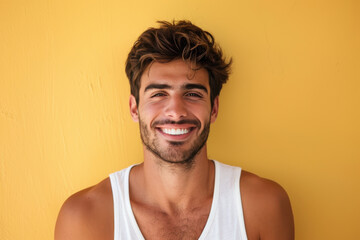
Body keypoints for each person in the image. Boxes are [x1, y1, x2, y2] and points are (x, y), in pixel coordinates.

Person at [55, 20, 294, 240]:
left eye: (192, 94)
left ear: (214, 108)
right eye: (159, 94)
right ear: (134, 108)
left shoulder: (264, 206)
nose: (176, 112)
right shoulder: (84, 218)